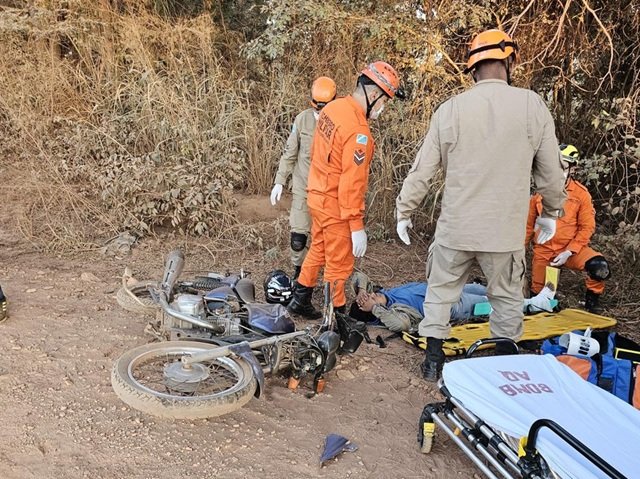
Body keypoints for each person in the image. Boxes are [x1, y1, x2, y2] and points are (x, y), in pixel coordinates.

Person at [395, 29, 567, 381]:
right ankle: (502, 367)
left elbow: (422, 169)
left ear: (472, 68)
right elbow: (551, 173)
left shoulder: (450, 110)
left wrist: (404, 210)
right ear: (509, 61)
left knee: (440, 293)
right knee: (506, 299)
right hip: (503, 233)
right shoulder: (532, 106)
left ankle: (432, 361)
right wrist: (551, 213)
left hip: (456, 229)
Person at [287, 62, 404, 318]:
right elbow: (352, 183)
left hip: (316, 195)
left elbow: (317, 153)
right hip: (336, 206)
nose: (383, 107)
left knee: (318, 248)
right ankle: (337, 319)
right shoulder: (358, 131)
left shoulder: (332, 108)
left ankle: (300, 298)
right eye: (385, 101)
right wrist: (356, 225)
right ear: (374, 94)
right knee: (339, 265)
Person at [526, 144, 610, 313]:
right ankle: (549, 300)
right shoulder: (539, 193)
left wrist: (569, 251)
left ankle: (592, 302)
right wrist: (517, 251)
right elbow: (527, 226)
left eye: (562, 167)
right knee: (538, 302)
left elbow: (587, 227)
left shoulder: (581, 194)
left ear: (572, 168)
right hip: (544, 251)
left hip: (571, 249)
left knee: (599, 266)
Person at [270, 77, 338, 280]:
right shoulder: (302, 120)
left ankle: (326, 278)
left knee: (327, 240)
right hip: (303, 187)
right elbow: (290, 152)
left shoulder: (340, 122)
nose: (320, 112)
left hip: (328, 191)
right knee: (298, 239)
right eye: (317, 108)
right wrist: (279, 181)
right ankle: (300, 278)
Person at [348, 272, 556, 333]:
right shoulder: (393, 311)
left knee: (488, 290)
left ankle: (523, 299)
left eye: (368, 296)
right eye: (367, 302)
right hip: (452, 305)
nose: (371, 297)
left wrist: (362, 291)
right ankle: (538, 304)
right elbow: (401, 325)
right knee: (493, 304)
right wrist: (375, 309)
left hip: (448, 289)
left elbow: (359, 276)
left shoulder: (386, 293)